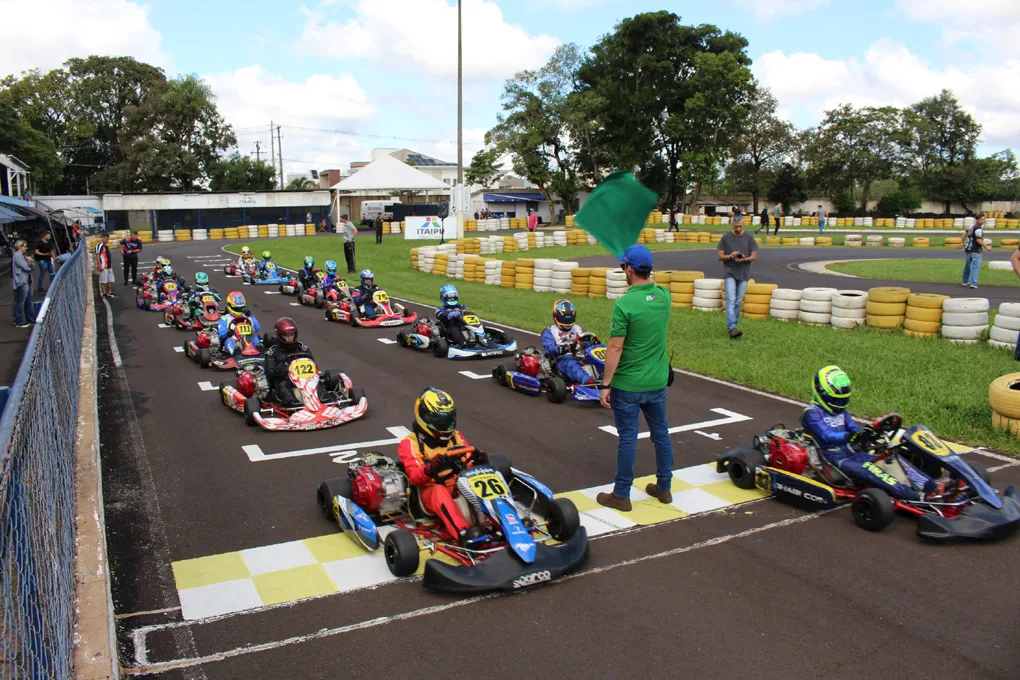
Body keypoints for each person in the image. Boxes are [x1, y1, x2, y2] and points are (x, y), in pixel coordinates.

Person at [596, 244, 674, 512]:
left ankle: (621, 494)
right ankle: (664, 487)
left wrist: (605, 385)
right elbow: (655, 285)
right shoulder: (664, 296)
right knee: (661, 433)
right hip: (657, 380)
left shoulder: (624, 304)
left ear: (628, 270)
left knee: (628, 438)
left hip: (628, 384)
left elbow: (615, 347)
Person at [802, 366, 941, 501]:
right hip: (832, 458)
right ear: (822, 394)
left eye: (843, 399)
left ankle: (930, 487)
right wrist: (849, 437)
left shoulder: (842, 412)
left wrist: (867, 434)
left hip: (851, 453)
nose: (840, 403)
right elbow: (825, 435)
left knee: (890, 457)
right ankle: (913, 497)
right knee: (871, 469)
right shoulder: (812, 413)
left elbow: (853, 428)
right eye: (836, 400)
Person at [397, 387, 486, 547]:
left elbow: (468, 460)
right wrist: (432, 468)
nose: (445, 425)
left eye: (448, 420)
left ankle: (507, 522)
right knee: (438, 491)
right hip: (431, 490)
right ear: (423, 417)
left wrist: (477, 460)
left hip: (460, 483)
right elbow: (415, 477)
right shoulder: (410, 443)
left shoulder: (456, 436)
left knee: (483, 477)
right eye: (439, 421)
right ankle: (463, 534)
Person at [718, 212, 758, 339]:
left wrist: (745, 259)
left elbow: (754, 256)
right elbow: (720, 256)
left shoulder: (749, 238)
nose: (738, 229)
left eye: (740, 226)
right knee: (730, 300)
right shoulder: (725, 238)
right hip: (730, 272)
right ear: (732, 226)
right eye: (736, 226)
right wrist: (731, 256)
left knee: (738, 302)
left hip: (744, 273)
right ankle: (732, 327)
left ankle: (733, 325)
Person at [263, 317, 319, 406]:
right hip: (286, 380)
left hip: (305, 379)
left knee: (319, 381)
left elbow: (313, 364)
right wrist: (279, 370)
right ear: (280, 335)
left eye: (291, 335)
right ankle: (293, 403)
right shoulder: (272, 352)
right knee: (282, 386)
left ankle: (323, 398)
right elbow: (270, 375)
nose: (290, 338)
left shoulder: (302, 348)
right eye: (286, 335)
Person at [542, 299, 594, 385]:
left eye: (569, 319)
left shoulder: (578, 328)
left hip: (580, 357)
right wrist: (565, 348)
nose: (567, 323)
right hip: (562, 360)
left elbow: (585, 341)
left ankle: (607, 378)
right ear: (556, 316)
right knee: (572, 365)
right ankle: (589, 382)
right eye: (564, 320)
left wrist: (590, 344)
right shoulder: (549, 331)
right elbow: (549, 348)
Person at [960, 215, 991, 289]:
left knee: (967, 265)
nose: (982, 221)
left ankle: (965, 281)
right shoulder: (978, 229)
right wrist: (987, 247)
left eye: (983, 220)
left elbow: (964, 233)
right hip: (976, 250)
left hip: (968, 249)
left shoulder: (971, 226)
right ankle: (973, 283)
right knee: (975, 266)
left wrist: (961, 242)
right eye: (981, 220)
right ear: (976, 220)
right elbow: (978, 240)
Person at [12, 240, 36, 328]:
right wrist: (29, 261)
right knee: (20, 302)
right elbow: (26, 267)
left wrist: (30, 262)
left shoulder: (23, 256)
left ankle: (30, 319)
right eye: (25, 246)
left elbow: (32, 268)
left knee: (29, 301)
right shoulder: (17, 256)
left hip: (28, 280)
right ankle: (19, 321)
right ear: (20, 247)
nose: (26, 248)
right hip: (22, 282)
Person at [95, 232, 115, 299]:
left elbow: (109, 255)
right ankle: (104, 293)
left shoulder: (106, 246)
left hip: (108, 265)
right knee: (103, 280)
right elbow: (97, 255)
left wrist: (111, 264)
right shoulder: (99, 245)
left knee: (110, 279)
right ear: (102, 238)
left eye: (108, 239)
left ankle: (109, 292)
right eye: (106, 239)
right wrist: (99, 265)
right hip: (103, 266)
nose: (107, 240)